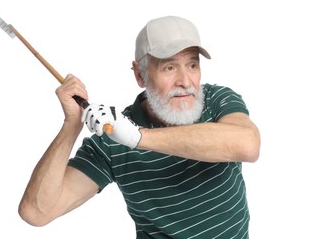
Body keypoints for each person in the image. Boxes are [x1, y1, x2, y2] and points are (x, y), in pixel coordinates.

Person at [18, 15, 261, 238]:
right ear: (140, 75)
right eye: (169, 67)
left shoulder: (218, 100)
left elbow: (248, 145)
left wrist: (137, 138)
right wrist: (71, 125)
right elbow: (37, 211)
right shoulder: (111, 140)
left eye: (192, 65)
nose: (185, 82)